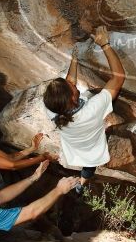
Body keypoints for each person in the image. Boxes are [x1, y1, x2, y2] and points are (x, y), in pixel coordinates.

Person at [42, 26, 125, 192]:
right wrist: (105, 45)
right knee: (89, 166)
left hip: (75, 146)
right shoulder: (92, 109)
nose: (72, 83)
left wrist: (74, 60)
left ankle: (80, 184)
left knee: (86, 166)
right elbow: (119, 77)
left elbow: (69, 84)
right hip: (92, 147)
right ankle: (81, 184)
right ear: (72, 98)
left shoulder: (51, 108)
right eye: (71, 87)